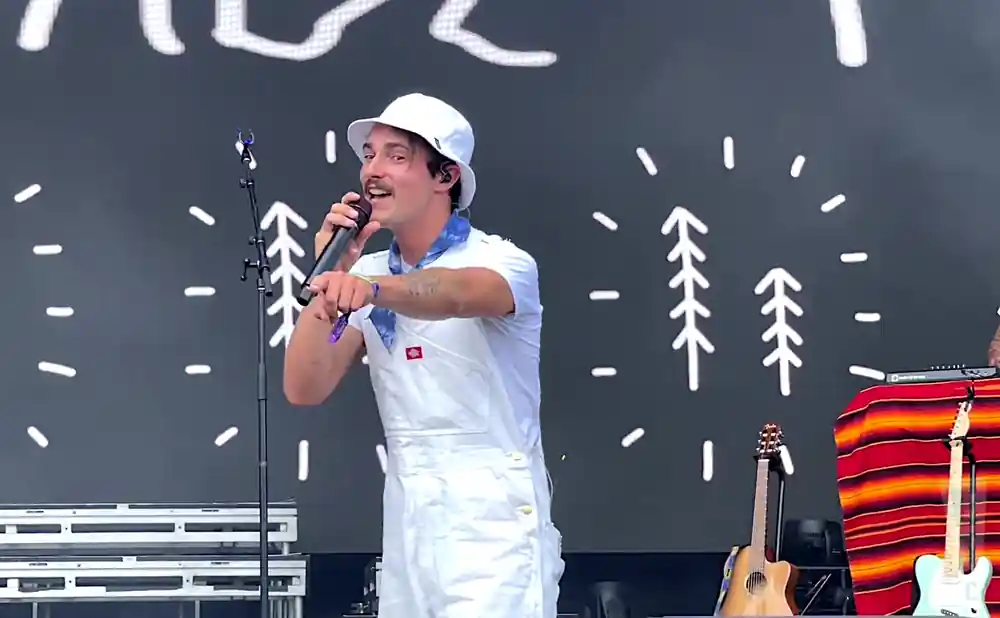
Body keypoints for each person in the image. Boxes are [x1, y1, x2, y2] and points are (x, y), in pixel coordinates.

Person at [283, 93, 564, 617]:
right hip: (410, 518)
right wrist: (332, 277)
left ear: (446, 176)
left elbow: (454, 294)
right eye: (369, 155)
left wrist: (370, 291)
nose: (373, 171)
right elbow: (305, 387)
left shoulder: (502, 260)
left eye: (397, 156)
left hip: (494, 525)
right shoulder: (362, 272)